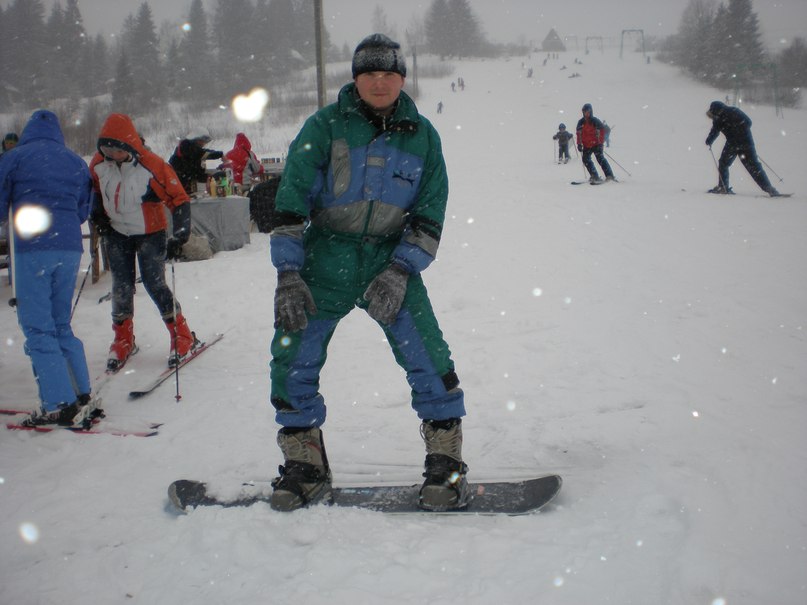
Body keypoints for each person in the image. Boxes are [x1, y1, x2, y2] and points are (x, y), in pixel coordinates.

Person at [268, 33, 468, 512]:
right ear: (356, 79)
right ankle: (306, 466)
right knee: (292, 355)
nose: (379, 83)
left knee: (429, 356)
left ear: (402, 79)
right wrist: (288, 273)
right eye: (369, 74)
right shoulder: (324, 125)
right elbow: (292, 198)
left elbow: (430, 211)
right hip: (324, 258)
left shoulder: (423, 137)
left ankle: (447, 464)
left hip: (389, 259)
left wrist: (402, 269)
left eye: (388, 74)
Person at [0, 110, 95, 426]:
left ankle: (58, 402)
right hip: (68, 248)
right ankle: (81, 391)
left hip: (32, 248)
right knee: (59, 323)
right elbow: (84, 208)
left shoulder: (15, 158)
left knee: (38, 327)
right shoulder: (75, 162)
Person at [90, 113, 198, 371]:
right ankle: (123, 339)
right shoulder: (98, 164)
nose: (111, 153)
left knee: (154, 283)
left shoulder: (152, 166)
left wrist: (180, 233)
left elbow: (179, 199)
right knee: (121, 286)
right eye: (106, 148)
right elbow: (94, 191)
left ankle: (181, 335)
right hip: (116, 232)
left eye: (116, 148)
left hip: (150, 232)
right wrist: (97, 215)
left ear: (129, 146)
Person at [705, 101, 780, 197]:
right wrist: (710, 140)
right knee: (754, 166)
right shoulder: (732, 112)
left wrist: (709, 140)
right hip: (746, 142)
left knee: (724, 163)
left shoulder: (720, 118)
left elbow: (715, 131)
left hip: (734, 143)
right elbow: (748, 122)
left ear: (716, 110)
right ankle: (769, 188)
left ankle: (723, 187)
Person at [168, 127, 223, 195]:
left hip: (188, 183)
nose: (204, 144)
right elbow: (202, 154)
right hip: (181, 183)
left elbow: (201, 157)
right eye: (203, 141)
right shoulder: (186, 147)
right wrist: (220, 154)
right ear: (197, 140)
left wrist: (211, 174)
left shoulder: (192, 148)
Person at [576, 103, 614, 183]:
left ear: (591, 111)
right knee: (585, 159)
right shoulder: (581, 122)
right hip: (586, 145)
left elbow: (602, 131)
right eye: (585, 112)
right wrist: (579, 144)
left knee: (600, 159)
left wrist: (600, 143)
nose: (586, 113)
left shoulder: (595, 121)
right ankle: (594, 175)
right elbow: (578, 134)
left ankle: (609, 175)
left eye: (588, 111)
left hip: (596, 144)